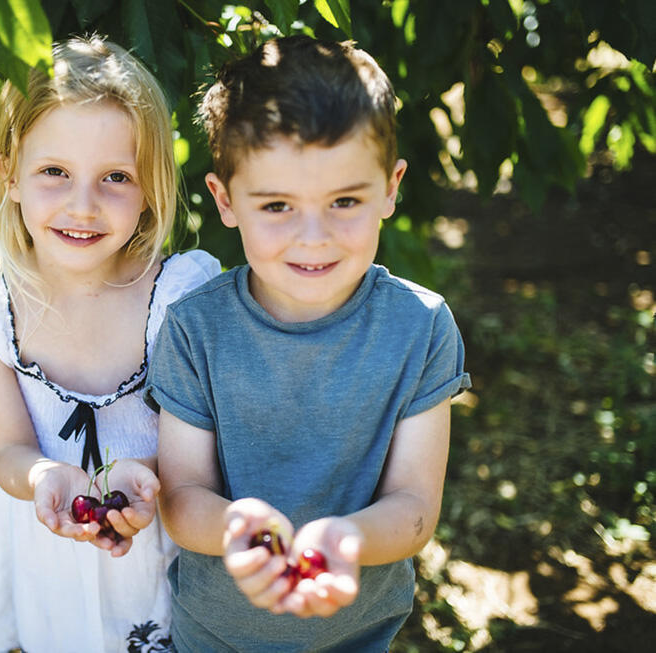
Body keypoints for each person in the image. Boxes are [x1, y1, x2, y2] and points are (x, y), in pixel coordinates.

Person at [146, 36, 471, 652]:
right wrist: (241, 529)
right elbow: (182, 498)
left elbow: (413, 504)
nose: (314, 237)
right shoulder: (195, 330)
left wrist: (345, 540)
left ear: (391, 187)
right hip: (214, 637)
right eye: (277, 205)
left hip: (357, 636)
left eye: (344, 200)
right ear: (225, 200)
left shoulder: (420, 328)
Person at [0, 35, 220, 653]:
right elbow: (9, 450)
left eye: (116, 178)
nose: (83, 206)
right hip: (49, 551)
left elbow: (205, 457)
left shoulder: (179, 299)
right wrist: (45, 475)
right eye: (55, 172)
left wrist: (144, 475)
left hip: (160, 545)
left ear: (151, 188)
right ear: (9, 175)